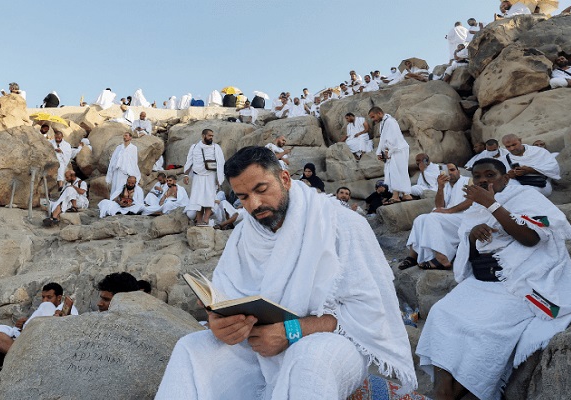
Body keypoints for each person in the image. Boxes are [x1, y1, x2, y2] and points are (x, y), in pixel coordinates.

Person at [155, 146, 417, 399]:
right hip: (258, 343)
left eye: (261, 189)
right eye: (243, 197)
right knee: (191, 348)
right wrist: (219, 325)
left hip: (330, 341)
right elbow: (224, 299)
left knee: (311, 358)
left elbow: (370, 313)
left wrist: (291, 331)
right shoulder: (243, 236)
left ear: (284, 179)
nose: (254, 204)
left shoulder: (342, 225)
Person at [416, 158, 571, 400]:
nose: (483, 180)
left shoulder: (526, 197)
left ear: (505, 178)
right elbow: (469, 258)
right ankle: (442, 389)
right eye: (478, 176)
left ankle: (459, 390)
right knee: (442, 313)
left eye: (490, 175)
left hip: (520, 282)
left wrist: (492, 205)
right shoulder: (474, 207)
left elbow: (531, 238)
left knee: (484, 329)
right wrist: (472, 237)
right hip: (483, 282)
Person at [400, 163, 471, 271]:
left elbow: (471, 201)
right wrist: (440, 187)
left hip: (464, 217)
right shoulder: (445, 185)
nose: (450, 173)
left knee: (432, 218)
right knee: (420, 219)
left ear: (459, 171)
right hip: (449, 217)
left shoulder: (468, 181)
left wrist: (448, 211)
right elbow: (439, 206)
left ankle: (442, 258)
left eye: (452, 170)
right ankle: (413, 256)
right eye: (448, 171)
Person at [0, 283, 78, 354]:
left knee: (47, 306)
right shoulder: (43, 308)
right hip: (26, 337)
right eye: (43, 297)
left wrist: (61, 317)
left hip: (46, 340)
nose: (44, 300)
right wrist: (23, 325)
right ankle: (17, 355)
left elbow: (72, 326)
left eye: (49, 297)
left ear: (58, 298)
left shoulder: (66, 308)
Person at [183, 129, 225, 226]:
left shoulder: (216, 147)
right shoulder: (194, 147)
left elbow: (221, 163)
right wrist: (186, 175)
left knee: (209, 198)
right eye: (209, 135)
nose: (211, 137)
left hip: (211, 176)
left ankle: (206, 220)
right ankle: (199, 220)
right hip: (198, 176)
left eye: (212, 136)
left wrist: (219, 178)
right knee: (198, 199)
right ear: (203, 136)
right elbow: (189, 161)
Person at [371, 106, 413, 203]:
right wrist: (379, 152)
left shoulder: (390, 121)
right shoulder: (384, 123)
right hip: (394, 150)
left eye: (373, 117)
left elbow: (394, 138)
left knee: (396, 171)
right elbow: (383, 139)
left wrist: (388, 151)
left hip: (398, 149)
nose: (373, 120)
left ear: (379, 113)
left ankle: (396, 196)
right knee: (395, 171)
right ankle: (405, 195)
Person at [106, 131, 140, 200]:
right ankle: (113, 202)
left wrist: (132, 172)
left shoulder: (133, 148)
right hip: (117, 171)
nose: (124, 137)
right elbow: (113, 159)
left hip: (125, 173)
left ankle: (122, 202)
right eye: (124, 136)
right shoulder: (119, 147)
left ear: (130, 137)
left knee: (123, 188)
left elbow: (133, 161)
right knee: (115, 187)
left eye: (126, 136)